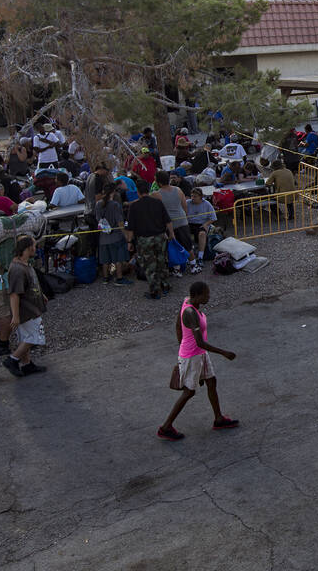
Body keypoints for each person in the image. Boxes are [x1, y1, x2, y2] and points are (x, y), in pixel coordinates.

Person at [157, 281, 239, 440]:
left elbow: (177, 326)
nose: (208, 297)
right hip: (193, 356)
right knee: (189, 392)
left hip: (198, 353)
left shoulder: (187, 301)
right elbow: (200, 342)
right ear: (197, 295)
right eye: (206, 294)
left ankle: (218, 418)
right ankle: (166, 427)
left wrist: (181, 344)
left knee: (211, 381)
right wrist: (224, 353)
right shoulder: (190, 313)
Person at [3, 234, 48, 376]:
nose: (36, 248)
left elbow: (30, 284)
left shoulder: (24, 264)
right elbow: (14, 294)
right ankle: (13, 359)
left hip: (29, 307)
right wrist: (15, 316)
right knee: (34, 336)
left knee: (25, 336)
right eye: (34, 246)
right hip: (27, 310)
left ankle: (27, 364)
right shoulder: (17, 269)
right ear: (28, 248)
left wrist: (42, 295)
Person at [125, 178, 174, 299]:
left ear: (138, 192)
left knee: (149, 265)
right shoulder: (158, 203)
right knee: (162, 261)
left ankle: (155, 291)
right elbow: (168, 221)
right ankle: (165, 285)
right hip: (160, 237)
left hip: (144, 239)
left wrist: (129, 241)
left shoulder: (134, 206)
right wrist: (172, 234)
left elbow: (130, 228)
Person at [96, 183, 133, 285]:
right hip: (116, 236)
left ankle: (105, 277)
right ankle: (119, 278)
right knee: (118, 258)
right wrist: (126, 236)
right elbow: (120, 222)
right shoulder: (115, 205)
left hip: (103, 236)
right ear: (113, 192)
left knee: (105, 259)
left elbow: (98, 219)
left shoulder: (98, 204)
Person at [153, 170, 192, 264]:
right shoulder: (178, 190)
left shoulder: (156, 194)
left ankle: (177, 267)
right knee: (188, 245)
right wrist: (185, 217)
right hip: (182, 220)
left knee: (173, 247)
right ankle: (193, 264)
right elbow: (185, 206)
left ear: (159, 182)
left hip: (168, 223)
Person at [186, 187, 218, 251]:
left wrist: (206, 224)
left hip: (201, 224)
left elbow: (214, 218)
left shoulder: (207, 204)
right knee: (182, 232)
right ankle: (189, 252)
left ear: (200, 197)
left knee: (202, 234)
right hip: (189, 223)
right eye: (191, 196)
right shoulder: (187, 202)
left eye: (195, 196)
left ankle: (201, 255)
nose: (192, 198)